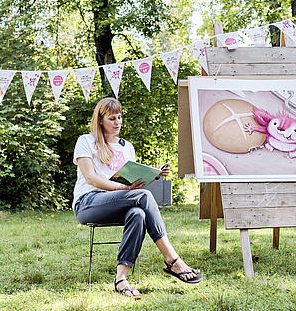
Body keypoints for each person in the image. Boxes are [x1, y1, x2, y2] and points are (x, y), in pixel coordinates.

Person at [72, 97, 202, 299]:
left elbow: (133, 184)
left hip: (119, 202)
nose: (117, 123)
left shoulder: (127, 147)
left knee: (138, 213)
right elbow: (91, 177)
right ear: (100, 120)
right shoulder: (86, 141)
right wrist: (122, 188)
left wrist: (153, 175)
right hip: (88, 202)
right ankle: (171, 259)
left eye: (120, 117)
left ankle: (121, 279)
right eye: (112, 118)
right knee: (143, 196)